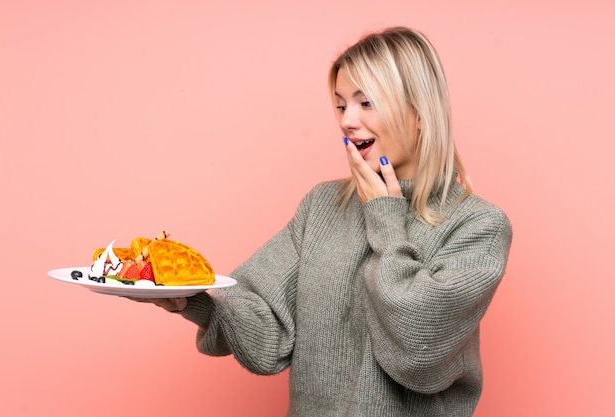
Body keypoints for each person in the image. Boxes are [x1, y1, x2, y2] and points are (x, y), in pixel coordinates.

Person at [137, 26, 512, 416]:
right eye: (340, 105)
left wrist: (385, 218)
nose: (347, 121)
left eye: (366, 103)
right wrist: (190, 301)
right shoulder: (322, 206)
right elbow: (268, 338)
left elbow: (416, 350)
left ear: (419, 112)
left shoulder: (478, 226)